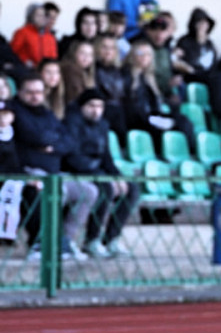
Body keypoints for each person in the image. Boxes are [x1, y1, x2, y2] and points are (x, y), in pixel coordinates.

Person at [10, 75, 98, 261]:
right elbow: (35, 136)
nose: (35, 96)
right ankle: (40, 243)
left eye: (39, 92)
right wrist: (52, 140)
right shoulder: (15, 111)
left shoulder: (47, 113)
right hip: (28, 172)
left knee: (89, 191)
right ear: (20, 93)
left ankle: (66, 240)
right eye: (30, 92)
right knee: (49, 191)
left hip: (54, 173)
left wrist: (53, 145)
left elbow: (69, 142)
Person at [62, 89, 138, 259]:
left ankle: (112, 238)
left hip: (97, 170)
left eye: (100, 106)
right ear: (82, 106)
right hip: (77, 170)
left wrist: (117, 177)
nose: (96, 110)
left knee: (132, 189)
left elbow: (106, 157)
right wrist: (101, 174)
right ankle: (92, 240)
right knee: (106, 188)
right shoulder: (71, 123)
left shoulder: (102, 125)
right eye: (91, 106)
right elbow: (72, 156)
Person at [173, 7, 218, 81]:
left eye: (204, 23)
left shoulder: (210, 44)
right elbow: (177, 62)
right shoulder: (184, 41)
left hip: (208, 78)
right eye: (198, 23)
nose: (201, 26)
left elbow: (214, 64)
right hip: (190, 77)